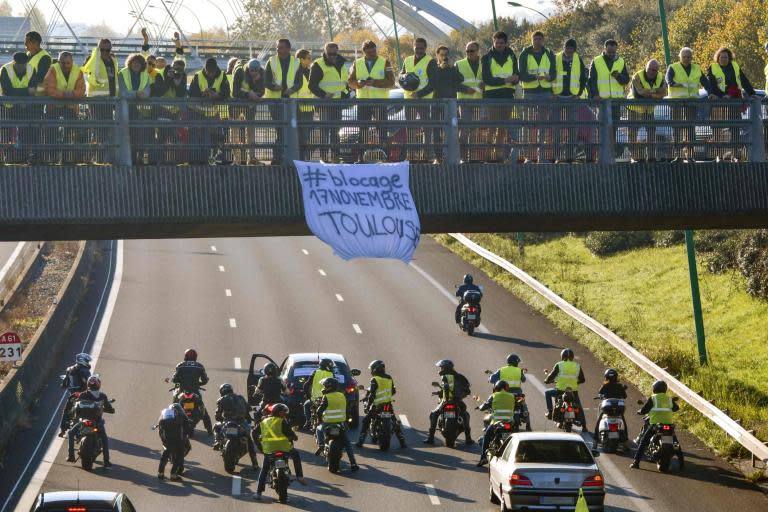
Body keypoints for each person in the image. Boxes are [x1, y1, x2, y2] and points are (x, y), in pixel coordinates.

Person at [665, 47, 715, 163]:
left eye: (688, 57)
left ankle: (690, 155)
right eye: (684, 57)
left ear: (692, 57)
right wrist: (672, 83)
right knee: (676, 128)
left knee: (690, 129)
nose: (686, 59)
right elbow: (668, 78)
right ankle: (678, 155)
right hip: (676, 102)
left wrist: (711, 92)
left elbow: (705, 82)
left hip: (692, 102)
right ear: (680, 57)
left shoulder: (696, 68)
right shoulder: (673, 67)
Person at [706, 47, 756, 161]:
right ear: (718, 58)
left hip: (734, 101)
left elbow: (744, 81)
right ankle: (718, 156)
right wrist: (719, 95)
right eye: (721, 57)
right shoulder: (712, 67)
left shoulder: (735, 66)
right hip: (718, 103)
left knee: (734, 128)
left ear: (729, 58)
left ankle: (735, 155)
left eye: (726, 57)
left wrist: (751, 93)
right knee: (718, 129)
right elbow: (710, 84)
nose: (724, 59)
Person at [348, 40, 394, 161]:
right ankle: (361, 158)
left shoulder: (385, 62)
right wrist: (358, 84)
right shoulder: (357, 63)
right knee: (363, 130)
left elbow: (391, 81)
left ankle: (384, 157)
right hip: (363, 102)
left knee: (382, 130)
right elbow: (350, 81)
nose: (373, 53)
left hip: (380, 102)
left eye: (374, 50)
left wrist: (374, 82)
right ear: (364, 52)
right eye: (369, 52)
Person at [253, 403, 306, 501]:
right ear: (279, 413)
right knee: (295, 454)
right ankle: (299, 476)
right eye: (284, 413)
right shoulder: (282, 422)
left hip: (269, 450)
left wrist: (260, 446)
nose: (285, 415)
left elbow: (254, 432)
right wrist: (295, 437)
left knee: (264, 470)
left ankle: (258, 493)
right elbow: (290, 433)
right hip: (284, 448)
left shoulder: (263, 421)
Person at [519, 31, 556, 162]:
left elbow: (554, 73)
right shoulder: (524, 54)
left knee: (543, 125)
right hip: (529, 92)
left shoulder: (549, 53)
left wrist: (549, 77)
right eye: (535, 39)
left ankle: (542, 156)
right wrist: (534, 77)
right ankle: (528, 157)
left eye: (540, 39)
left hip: (545, 92)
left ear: (543, 40)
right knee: (528, 126)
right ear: (531, 40)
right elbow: (521, 75)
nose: (537, 41)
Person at [481, 31, 519, 162]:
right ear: (493, 42)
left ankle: (498, 155)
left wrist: (515, 79)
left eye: (501, 43)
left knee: (502, 128)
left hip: (508, 95)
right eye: (496, 42)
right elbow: (487, 79)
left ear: (506, 43)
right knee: (492, 127)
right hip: (492, 96)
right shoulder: (486, 58)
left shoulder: (512, 56)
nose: (499, 45)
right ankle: (487, 155)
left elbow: (516, 74)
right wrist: (506, 80)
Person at [264, 38, 303, 165]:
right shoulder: (271, 61)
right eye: (277, 47)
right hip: (275, 101)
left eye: (280, 47)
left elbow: (299, 82)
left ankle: (289, 157)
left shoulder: (296, 62)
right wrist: (276, 87)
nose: (278, 49)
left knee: (290, 130)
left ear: (288, 49)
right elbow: (266, 81)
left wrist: (291, 90)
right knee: (280, 130)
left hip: (290, 101)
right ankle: (277, 157)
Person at [588, 40, 629, 159]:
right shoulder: (596, 61)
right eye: (609, 51)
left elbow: (626, 79)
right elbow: (591, 81)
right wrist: (595, 95)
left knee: (614, 128)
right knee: (601, 127)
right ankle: (600, 155)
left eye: (613, 52)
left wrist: (618, 76)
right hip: (602, 101)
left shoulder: (621, 61)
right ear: (605, 49)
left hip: (616, 101)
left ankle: (611, 155)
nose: (611, 54)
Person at [309, 42, 349, 162]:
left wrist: (345, 94)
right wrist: (324, 95)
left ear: (337, 52)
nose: (332, 56)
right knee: (324, 131)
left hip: (337, 103)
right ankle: (324, 157)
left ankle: (336, 157)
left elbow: (344, 82)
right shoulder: (318, 64)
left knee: (336, 131)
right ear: (325, 52)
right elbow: (312, 85)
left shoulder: (342, 64)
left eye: (334, 53)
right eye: (330, 54)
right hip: (323, 103)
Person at [44, 51, 86, 164]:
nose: (66, 65)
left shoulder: (78, 71)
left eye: (68, 63)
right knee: (51, 133)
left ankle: (67, 158)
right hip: (54, 107)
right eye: (63, 63)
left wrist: (71, 94)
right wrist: (65, 95)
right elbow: (48, 88)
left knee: (70, 133)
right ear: (59, 62)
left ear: (72, 62)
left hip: (70, 107)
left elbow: (82, 90)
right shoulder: (53, 70)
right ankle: (52, 158)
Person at [400, 37, 438, 161]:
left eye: (421, 48)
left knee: (426, 128)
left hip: (424, 100)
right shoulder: (407, 60)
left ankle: (426, 156)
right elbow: (401, 76)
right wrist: (402, 78)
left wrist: (419, 94)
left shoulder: (430, 61)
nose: (419, 50)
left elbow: (433, 83)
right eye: (417, 48)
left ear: (425, 48)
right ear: (413, 47)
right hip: (409, 99)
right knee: (410, 128)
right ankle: (411, 155)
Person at [630, 380, 682, 469]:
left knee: (643, 442)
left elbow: (644, 410)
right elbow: (676, 408)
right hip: (669, 425)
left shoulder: (653, 398)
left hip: (655, 424)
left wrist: (640, 411)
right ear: (665, 389)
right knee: (676, 443)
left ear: (654, 389)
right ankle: (682, 463)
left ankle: (636, 462)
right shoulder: (668, 398)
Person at [188, 58, 231, 164]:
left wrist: (217, 95)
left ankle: (205, 160)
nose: (210, 74)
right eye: (208, 71)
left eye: (212, 72)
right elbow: (192, 93)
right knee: (195, 137)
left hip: (212, 113)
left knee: (207, 138)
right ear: (205, 69)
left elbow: (226, 92)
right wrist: (203, 94)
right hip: (197, 112)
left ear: (216, 69)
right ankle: (194, 160)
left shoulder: (222, 75)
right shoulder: (198, 75)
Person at [552, 39, 589, 163]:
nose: (569, 50)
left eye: (571, 48)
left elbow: (584, 78)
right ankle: (556, 156)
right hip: (557, 98)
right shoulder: (555, 58)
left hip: (572, 99)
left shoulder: (578, 59)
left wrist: (578, 94)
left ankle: (569, 156)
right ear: (564, 47)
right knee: (556, 129)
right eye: (567, 48)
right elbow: (550, 75)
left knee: (572, 129)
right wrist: (552, 93)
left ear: (574, 49)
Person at [83, 38, 118, 163]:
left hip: (110, 99)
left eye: (107, 50)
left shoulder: (113, 60)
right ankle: (98, 158)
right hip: (96, 99)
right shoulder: (92, 60)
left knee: (107, 128)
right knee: (99, 129)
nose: (105, 52)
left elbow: (114, 80)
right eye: (102, 49)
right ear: (98, 48)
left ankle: (103, 157)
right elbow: (89, 77)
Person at [66, 375, 115, 467]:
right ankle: (106, 461)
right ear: (98, 385)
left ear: (88, 384)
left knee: (71, 433)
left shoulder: (83, 394)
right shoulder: (102, 396)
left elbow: (76, 404)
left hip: (83, 421)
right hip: (97, 422)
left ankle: (71, 456)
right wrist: (111, 410)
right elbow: (109, 409)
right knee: (104, 439)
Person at [356, 360, 407, 448]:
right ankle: (402, 441)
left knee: (366, 421)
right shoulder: (389, 377)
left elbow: (372, 395)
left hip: (377, 405)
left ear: (375, 369)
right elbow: (393, 391)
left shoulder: (374, 379)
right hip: (388, 404)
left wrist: (368, 406)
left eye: (372, 369)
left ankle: (360, 441)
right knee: (394, 422)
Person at [424, 359, 473, 445]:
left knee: (434, 414)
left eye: (441, 368)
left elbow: (446, 387)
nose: (440, 370)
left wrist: (446, 398)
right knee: (465, 415)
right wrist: (461, 394)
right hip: (457, 401)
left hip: (446, 401)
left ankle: (431, 438)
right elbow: (467, 390)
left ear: (446, 368)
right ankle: (468, 438)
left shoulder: (444, 377)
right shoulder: (460, 376)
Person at [314, 377, 359, 470]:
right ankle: (353, 463)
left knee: (318, 429)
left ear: (329, 387)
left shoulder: (326, 397)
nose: (324, 388)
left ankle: (321, 445)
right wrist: (346, 421)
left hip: (327, 423)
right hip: (340, 423)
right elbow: (346, 410)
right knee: (347, 443)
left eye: (325, 386)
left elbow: (319, 411)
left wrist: (319, 420)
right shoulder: (342, 396)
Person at [627, 59, 666, 162]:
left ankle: (651, 157)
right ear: (646, 67)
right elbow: (638, 94)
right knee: (632, 133)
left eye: (654, 70)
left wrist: (649, 93)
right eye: (650, 69)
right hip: (634, 108)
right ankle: (636, 157)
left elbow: (663, 93)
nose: (651, 72)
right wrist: (655, 93)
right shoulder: (637, 76)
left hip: (649, 109)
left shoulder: (660, 77)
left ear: (657, 70)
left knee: (651, 132)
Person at [0, 52, 36, 164]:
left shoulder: (31, 69)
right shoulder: (5, 69)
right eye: (18, 65)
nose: (21, 67)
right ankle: (6, 157)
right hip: (6, 105)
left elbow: (33, 90)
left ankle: (22, 156)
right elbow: (7, 90)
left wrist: (16, 92)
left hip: (23, 106)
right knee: (5, 133)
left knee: (24, 131)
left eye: (23, 64)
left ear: (26, 63)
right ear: (14, 62)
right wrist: (26, 91)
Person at [214, 383, 259, 470]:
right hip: (241, 423)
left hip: (228, 422)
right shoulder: (240, 398)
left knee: (216, 426)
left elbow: (217, 415)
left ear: (221, 391)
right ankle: (255, 463)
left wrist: (221, 418)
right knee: (249, 440)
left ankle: (216, 442)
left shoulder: (221, 400)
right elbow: (248, 408)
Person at [169, 348, 213, 435]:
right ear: (195, 357)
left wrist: (180, 381)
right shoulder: (199, 366)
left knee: (173, 406)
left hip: (181, 391)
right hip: (195, 392)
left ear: (185, 356)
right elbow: (205, 380)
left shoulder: (180, 365)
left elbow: (174, 379)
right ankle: (209, 430)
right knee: (203, 409)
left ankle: (170, 427)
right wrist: (198, 384)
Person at [231, 58, 266, 164]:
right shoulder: (239, 71)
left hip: (250, 104)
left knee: (251, 129)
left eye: (256, 72)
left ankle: (251, 158)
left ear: (259, 70)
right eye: (251, 71)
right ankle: (236, 159)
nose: (253, 74)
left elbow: (261, 91)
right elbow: (235, 92)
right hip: (236, 102)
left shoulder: (262, 73)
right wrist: (248, 94)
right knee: (234, 130)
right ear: (248, 69)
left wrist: (256, 86)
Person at [477, 381, 518, 466]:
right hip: (510, 423)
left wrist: (480, 407)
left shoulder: (493, 396)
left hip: (497, 423)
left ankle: (483, 458)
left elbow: (484, 406)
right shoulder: (512, 396)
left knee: (486, 437)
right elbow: (516, 406)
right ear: (506, 388)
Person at [455, 41, 484, 162]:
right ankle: (462, 157)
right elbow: (454, 83)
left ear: (478, 51)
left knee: (475, 131)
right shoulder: (459, 64)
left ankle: (473, 157)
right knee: (465, 130)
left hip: (478, 100)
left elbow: (486, 78)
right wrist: (466, 89)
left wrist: (485, 84)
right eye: (467, 51)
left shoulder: (484, 63)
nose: (469, 53)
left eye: (471, 51)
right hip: (464, 101)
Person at [543, 348, 586, 427]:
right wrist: (575, 382)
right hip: (573, 392)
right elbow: (582, 380)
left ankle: (550, 412)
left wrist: (547, 380)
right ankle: (584, 426)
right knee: (579, 407)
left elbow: (551, 376)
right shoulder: (577, 366)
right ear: (572, 357)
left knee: (547, 393)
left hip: (560, 391)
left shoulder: (559, 365)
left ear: (562, 356)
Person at [592, 368, 628, 449]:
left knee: (599, 420)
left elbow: (600, 393)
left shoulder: (605, 385)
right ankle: (625, 441)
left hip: (607, 407)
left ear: (606, 377)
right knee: (623, 421)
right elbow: (625, 396)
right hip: (619, 408)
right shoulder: (620, 386)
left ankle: (595, 439)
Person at [59, 353, 93, 436]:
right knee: (91, 408)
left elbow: (65, 383)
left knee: (66, 411)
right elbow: (90, 382)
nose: (88, 363)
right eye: (87, 361)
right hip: (83, 394)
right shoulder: (85, 371)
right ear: (83, 361)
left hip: (72, 395)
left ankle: (62, 430)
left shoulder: (69, 369)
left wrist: (64, 385)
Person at [157, 402, 192, 481]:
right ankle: (173, 475)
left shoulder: (164, 417)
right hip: (177, 440)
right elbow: (187, 428)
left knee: (164, 456)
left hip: (167, 440)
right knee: (179, 456)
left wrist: (163, 440)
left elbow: (160, 430)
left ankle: (160, 473)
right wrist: (185, 435)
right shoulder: (180, 416)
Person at [302, 358, 336, 430]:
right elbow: (336, 387)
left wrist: (308, 397)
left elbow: (306, 385)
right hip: (328, 399)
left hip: (315, 400)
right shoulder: (331, 374)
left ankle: (308, 421)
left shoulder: (315, 372)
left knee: (306, 404)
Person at [295, 48, 314, 160]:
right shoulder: (296, 72)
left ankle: (305, 158)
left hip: (309, 108)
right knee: (301, 137)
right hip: (300, 109)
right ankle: (301, 159)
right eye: (308, 58)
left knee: (306, 137)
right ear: (301, 59)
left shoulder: (309, 71)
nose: (310, 60)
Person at [25, 30, 51, 97]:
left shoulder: (45, 57)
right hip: (27, 92)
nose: (25, 44)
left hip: (36, 96)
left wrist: (38, 98)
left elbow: (42, 80)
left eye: (27, 42)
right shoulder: (28, 54)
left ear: (36, 43)